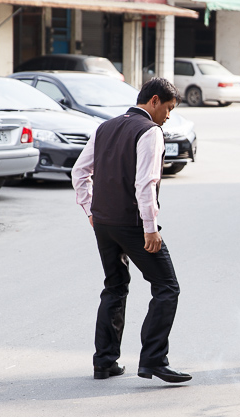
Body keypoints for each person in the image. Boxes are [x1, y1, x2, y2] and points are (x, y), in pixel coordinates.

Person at [71, 77, 192, 384]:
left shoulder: (105, 126)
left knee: (114, 286)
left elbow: (79, 172)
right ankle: (153, 360)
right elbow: (146, 183)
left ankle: (105, 362)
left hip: (103, 222)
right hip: (132, 224)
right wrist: (151, 229)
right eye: (168, 108)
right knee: (167, 287)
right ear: (154, 100)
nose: (167, 116)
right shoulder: (150, 131)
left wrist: (90, 210)